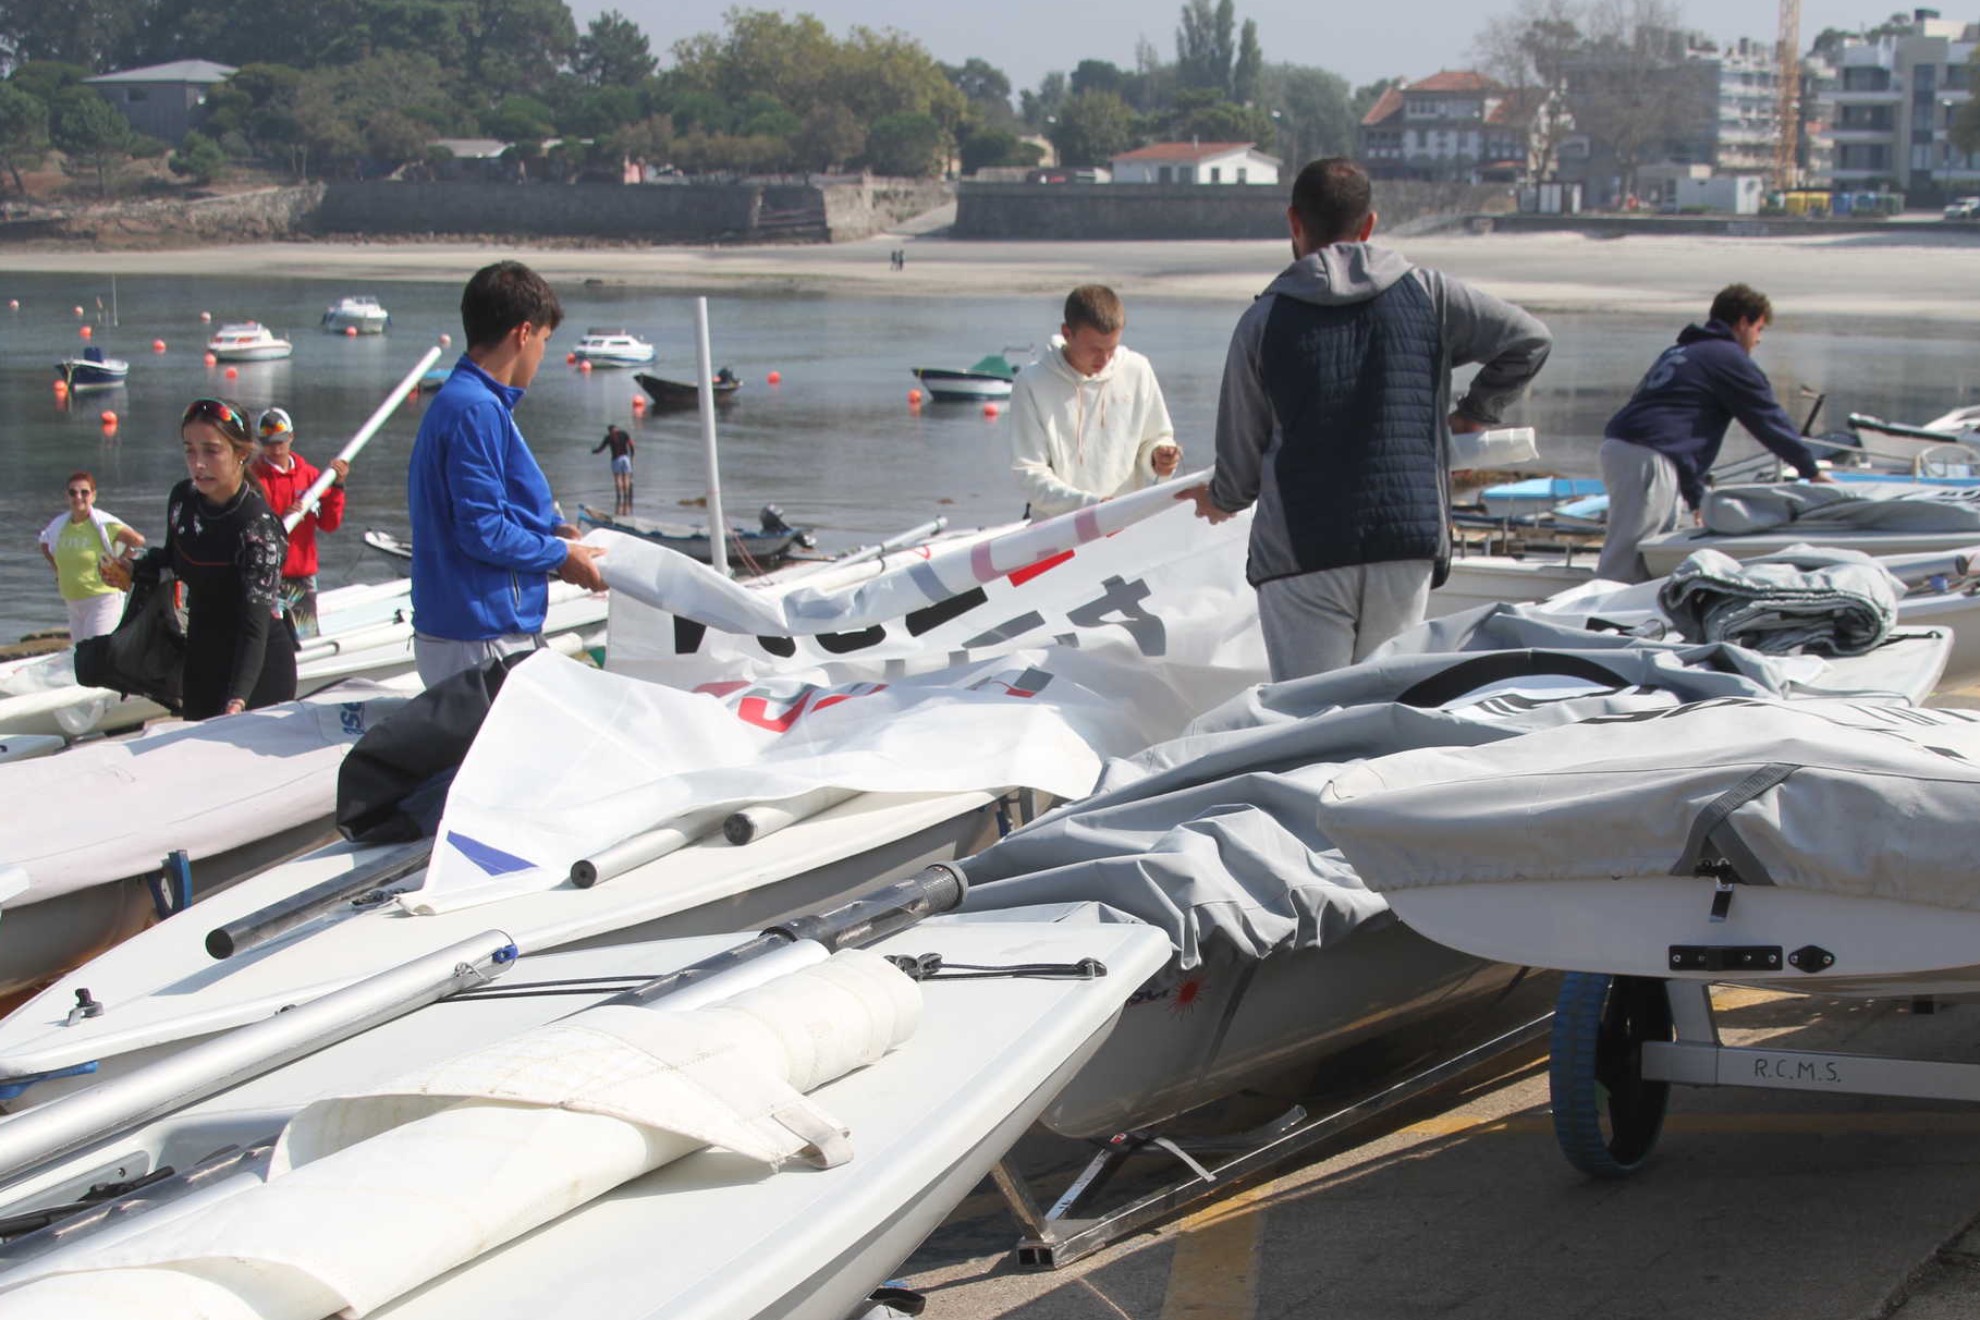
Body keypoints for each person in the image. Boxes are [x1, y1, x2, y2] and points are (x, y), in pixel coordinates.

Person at [1179, 157, 1552, 681]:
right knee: (1378, 710)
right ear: (1370, 224)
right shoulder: (1429, 295)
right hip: (1405, 542)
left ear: (1294, 222)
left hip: (1303, 553)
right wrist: (1473, 414)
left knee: (1309, 720)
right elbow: (1529, 340)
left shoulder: (1264, 322)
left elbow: (1239, 471)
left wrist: (1218, 500)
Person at [408, 259, 606, 688]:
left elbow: (494, 507)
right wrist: (559, 556)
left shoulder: (470, 400)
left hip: (474, 630)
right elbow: (481, 529)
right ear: (523, 333)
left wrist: (553, 531)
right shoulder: (476, 408)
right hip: (479, 636)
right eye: (545, 340)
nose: (542, 354)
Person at [1595, 283, 1834, 583]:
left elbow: (1681, 431)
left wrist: (1695, 497)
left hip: (1626, 447)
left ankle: (1628, 612)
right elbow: (1767, 418)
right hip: (1648, 454)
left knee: (1644, 550)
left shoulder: (1685, 351)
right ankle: (1599, 618)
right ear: (1744, 322)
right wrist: (1810, 469)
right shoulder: (1727, 358)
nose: (1758, 340)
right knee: (1630, 557)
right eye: (1759, 329)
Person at [101, 398, 296, 719]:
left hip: (258, 667)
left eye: (211, 450)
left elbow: (254, 624)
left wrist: (239, 699)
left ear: (241, 454)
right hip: (202, 653)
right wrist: (132, 569)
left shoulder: (257, 526)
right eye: (190, 450)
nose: (198, 463)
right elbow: (173, 560)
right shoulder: (182, 501)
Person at [1009, 285, 1181, 521]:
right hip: (1057, 531)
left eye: (1111, 348)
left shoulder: (1136, 369)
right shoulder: (1031, 383)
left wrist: (1159, 457)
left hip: (1126, 525)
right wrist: (1091, 506)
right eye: (1095, 349)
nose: (1104, 359)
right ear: (1067, 333)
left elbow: (1156, 438)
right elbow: (1029, 473)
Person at [252, 406, 349, 639]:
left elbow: (329, 524)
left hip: (301, 576)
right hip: (267, 573)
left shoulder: (311, 476)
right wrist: (280, 517)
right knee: (269, 639)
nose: (275, 449)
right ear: (259, 442)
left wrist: (337, 487)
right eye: (269, 443)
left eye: (280, 442)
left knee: (306, 638)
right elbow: (249, 525)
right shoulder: (252, 478)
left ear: (291, 438)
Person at [37, 471, 145, 642]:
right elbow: (44, 544)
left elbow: (137, 540)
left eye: (84, 492)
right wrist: (58, 571)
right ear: (67, 496)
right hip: (73, 601)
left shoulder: (103, 524)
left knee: (97, 654)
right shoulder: (60, 525)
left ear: (93, 495)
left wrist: (119, 563)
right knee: (81, 657)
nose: (78, 497)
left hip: (102, 599)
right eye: (73, 492)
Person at [592, 423, 635, 515]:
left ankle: (619, 497)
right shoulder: (624, 434)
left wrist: (594, 451)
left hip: (616, 459)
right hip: (625, 458)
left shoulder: (609, 437)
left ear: (610, 430)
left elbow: (600, 449)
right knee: (626, 478)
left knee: (618, 478)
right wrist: (632, 455)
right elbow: (631, 445)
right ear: (617, 428)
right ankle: (626, 496)